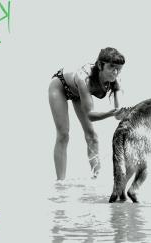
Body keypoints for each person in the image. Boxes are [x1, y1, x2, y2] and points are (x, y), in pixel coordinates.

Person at [48, 47, 125, 180]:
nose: (115, 72)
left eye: (119, 68)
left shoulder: (115, 80)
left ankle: (96, 178)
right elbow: (91, 115)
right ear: (100, 65)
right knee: (63, 135)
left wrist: (122, 113)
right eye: (112, 67)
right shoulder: (85, 79)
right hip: (60, 85)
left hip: (78, 93)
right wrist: (111, 113)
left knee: (92, 136)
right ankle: (60, 183)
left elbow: (118, 115)